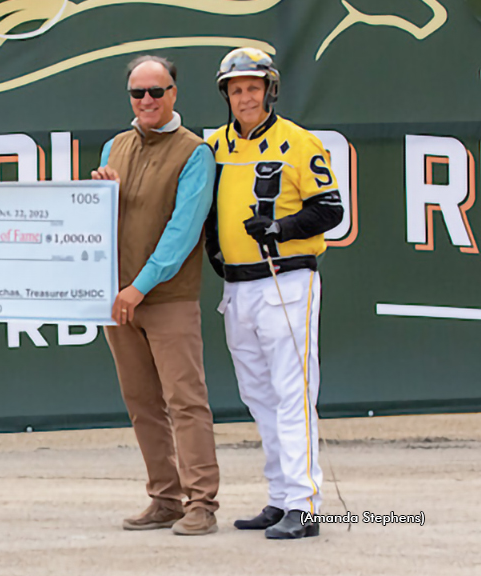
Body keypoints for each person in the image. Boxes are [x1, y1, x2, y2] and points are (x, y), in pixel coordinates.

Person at [205, 47, 344, 539]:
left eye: (253, 87)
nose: (245, 96)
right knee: (257, 394)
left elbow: (331, 209)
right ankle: (280, 496)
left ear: (270, 90)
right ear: (227, 94)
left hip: (287, 279)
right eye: (237, 89)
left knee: (292, 392)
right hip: (237, 287)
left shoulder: (298, 142)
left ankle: (305, 505)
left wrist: (280, 227)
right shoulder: (215, 145)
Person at [91, 55, 220, 536]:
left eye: (156, 91)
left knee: (186, 401)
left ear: (174, 94)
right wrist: (100, 192)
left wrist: (138, 287)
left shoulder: (195, 153)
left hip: (166, 299)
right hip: (118, 300)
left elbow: (183, 232)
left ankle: (202, 502)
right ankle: (164, 498)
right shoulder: (115, 147)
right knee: (142, 402)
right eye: (137, 92)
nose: (146, 100)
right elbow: (100, 223)